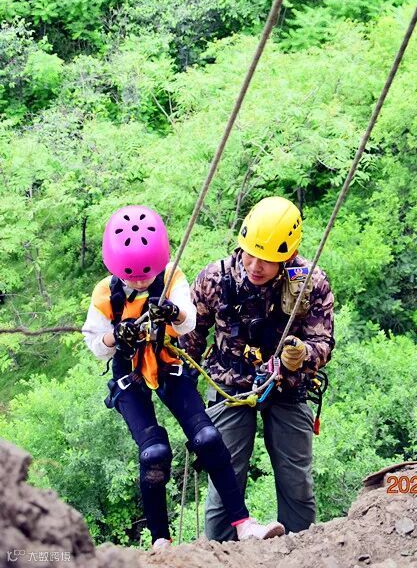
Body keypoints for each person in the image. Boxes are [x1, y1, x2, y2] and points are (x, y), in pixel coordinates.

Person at [83, 205, 284, 550]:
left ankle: (244, 523)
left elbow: (188, 321)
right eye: (132, 278)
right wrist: (116, 335)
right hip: (130, 376)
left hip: (167, 365)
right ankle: (161, 540)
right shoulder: (105, 294)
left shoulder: (171, 277)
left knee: (207, 437)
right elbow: (96, 345)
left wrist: (172, 312)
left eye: (146, 276)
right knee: (154, 453)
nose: (140, 282)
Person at [179, 196, 335, 541]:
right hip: (229, 382)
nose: (255, 265)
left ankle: (302, 551)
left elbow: (323, 342)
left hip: (287, 384)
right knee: (224, 481)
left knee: (296, 481)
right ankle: (219, 555)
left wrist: (303, 354)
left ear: (289, 255)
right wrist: (183, 393)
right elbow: (190, 336)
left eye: (267, 260)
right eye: (250, 254)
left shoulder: (309, 283)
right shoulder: (215, 279)